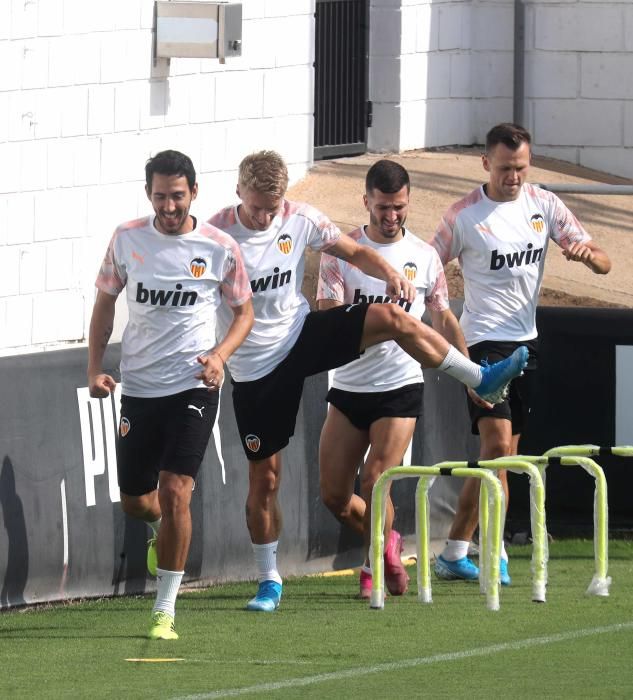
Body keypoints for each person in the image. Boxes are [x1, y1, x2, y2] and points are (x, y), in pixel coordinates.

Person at [208, 149, 528, 613]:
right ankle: (269, 578)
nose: (263, 217)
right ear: (239, 192)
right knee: (267, 478)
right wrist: (211, 355)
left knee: (392, 317)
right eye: (255, 206)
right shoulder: (215, 234)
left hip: (303, 337)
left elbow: (354, 250)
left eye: (271, 208)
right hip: (258, 367)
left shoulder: (301, 218)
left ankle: (480, 377)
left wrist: (388, 271)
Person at [430, 123, 611, 585]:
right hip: (483, 346)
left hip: (526, 344)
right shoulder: (463, 215)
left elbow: (602, 261)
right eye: (507, 168)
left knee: (503, 455)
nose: (514, 177)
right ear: (486, 163)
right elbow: (427, 267)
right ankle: (499, 551)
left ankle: (453, 551)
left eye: (522, 168)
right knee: (495, 447)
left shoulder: (544, 204)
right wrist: (446, 333)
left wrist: (588, 256)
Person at [87, 150, 254, 640]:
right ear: (149, 195)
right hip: (139, 387)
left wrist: (220, 355)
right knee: (137, 502)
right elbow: (103, 305)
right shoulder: (127, 239)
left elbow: (244, 313)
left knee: (177, 489)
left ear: (194, 193)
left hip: (194, 385)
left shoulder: (220, 247)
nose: (168, 205)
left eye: (177, 196)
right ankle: (162, 529)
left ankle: (165, 609)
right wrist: (96, 368)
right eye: (160, 196)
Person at [317, 159, 470, 598]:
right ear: (366, 201)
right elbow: (328, 318)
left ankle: (371, 570)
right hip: (347, 387)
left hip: (399, 386)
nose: (391, 216)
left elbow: (442, 317)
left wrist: (474, 375)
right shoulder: (342, 255)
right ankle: (387, 542)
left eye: (399, 207)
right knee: (334, 496)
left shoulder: (424, 257)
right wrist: (377, 318)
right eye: (382, 207)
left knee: (376, 477)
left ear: (408, 203)